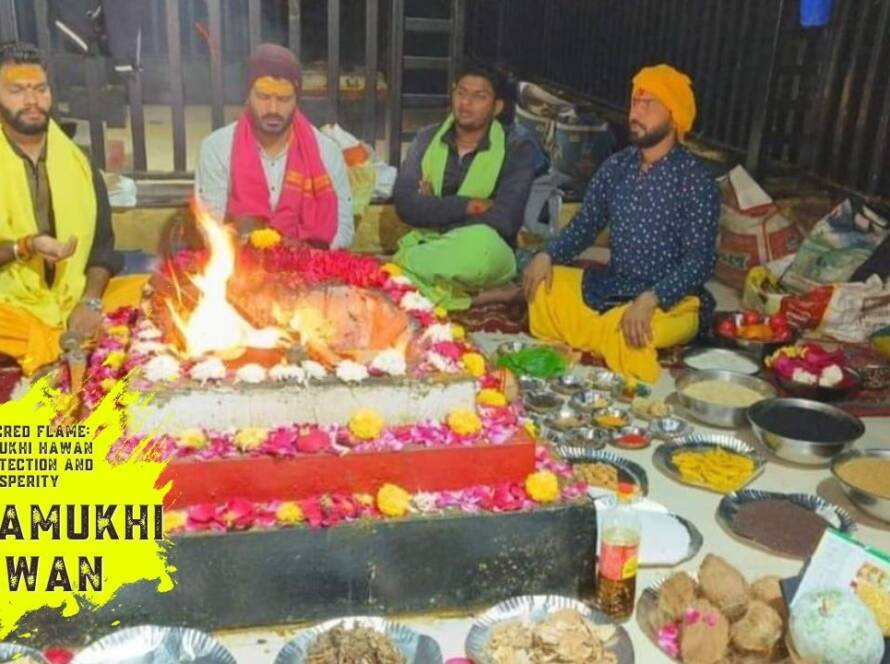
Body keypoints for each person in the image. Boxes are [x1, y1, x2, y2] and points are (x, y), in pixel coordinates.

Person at [522, 64, 720, 382]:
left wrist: (652, 298)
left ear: (674, 115)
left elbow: (701, 260)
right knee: (544, 289)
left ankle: (606, 333)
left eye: (649, 104)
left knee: (638, 331)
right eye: (634, 103)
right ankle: (607, 332)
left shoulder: (696, 180)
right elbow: (585, 224)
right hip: (615, 285)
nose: (636, 113)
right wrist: (547, 255)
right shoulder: (617, 166)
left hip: (671, 301)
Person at [0, 41, 145, 376]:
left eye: (40, 89)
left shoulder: (77, 163)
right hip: (10, 308)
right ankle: (58, 345)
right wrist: (25, 247)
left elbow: (102, 249)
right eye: (17, 90)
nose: (32, 101)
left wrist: (91, 301)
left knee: (157, 291)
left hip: (72, 298)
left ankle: (61, 341)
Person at [392, 61, 535, 310]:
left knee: (478, 244)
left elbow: (505, 219)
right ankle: (484, 297)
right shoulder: (427, 138)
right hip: (433, 244)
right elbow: (405, 205)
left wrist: (434, 210)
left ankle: (422, 279)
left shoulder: (516, 147)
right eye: (461, 93)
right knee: (411, 257)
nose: (465, 103)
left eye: (479, 97)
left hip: (485, 250)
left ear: (497, 106)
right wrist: (470, 205)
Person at [195, 43, 354, 249]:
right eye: (263, 97)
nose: (273, 109)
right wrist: (251, 249)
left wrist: (300, 255)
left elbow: (344, 231)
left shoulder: (326, 152)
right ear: (248, 95)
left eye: (284, 99)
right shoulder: (216, 148)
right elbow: (211, 228)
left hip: (309, 269)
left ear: (297, 100)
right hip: (243, 269)